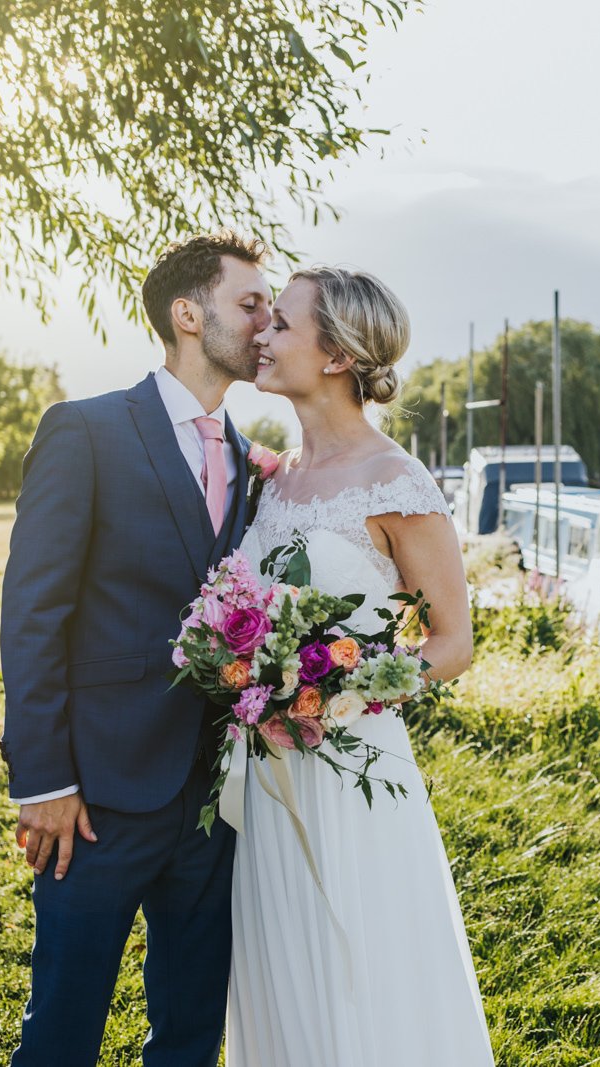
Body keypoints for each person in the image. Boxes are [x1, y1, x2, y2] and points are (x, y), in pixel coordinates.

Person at [0, 231, 270, 1065]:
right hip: (98, 797)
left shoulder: (256, 464)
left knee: (191, 1035)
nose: (268, 322)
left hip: (216, 804)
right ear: (189, 314)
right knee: (63, 1033)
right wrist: (44, 781)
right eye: (251, 303)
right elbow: (33, 612)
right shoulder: (85, 431)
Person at [225, 266, 494, 1065]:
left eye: (281, 324)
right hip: (265, 773)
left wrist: (336, 698)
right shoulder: (274, 476)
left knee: (361, 968)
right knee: (280, 966)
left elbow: (453, 641)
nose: (262, 337)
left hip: (349, 767)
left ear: (337, 355)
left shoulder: (396, 481)